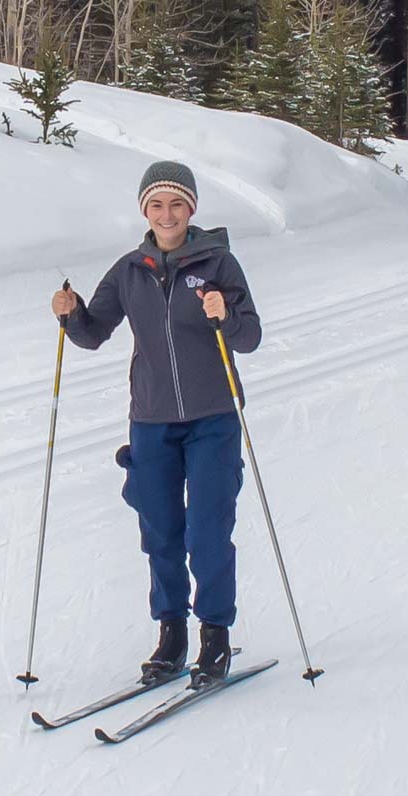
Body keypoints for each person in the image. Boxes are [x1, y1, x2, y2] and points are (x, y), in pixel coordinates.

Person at [50, 161, 262, 686]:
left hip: (213, 416)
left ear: (192, 209)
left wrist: (224, 314)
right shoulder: (130, 269)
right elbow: (92, 332)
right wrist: (70, 313)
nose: (166, 213)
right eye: (156, 204)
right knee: (160, 531)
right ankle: (171, 634)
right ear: (144, 210)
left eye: (177, 203)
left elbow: (250, 336)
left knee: (208, 531)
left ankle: (215, 635)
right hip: (151, 420)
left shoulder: (219, 264)